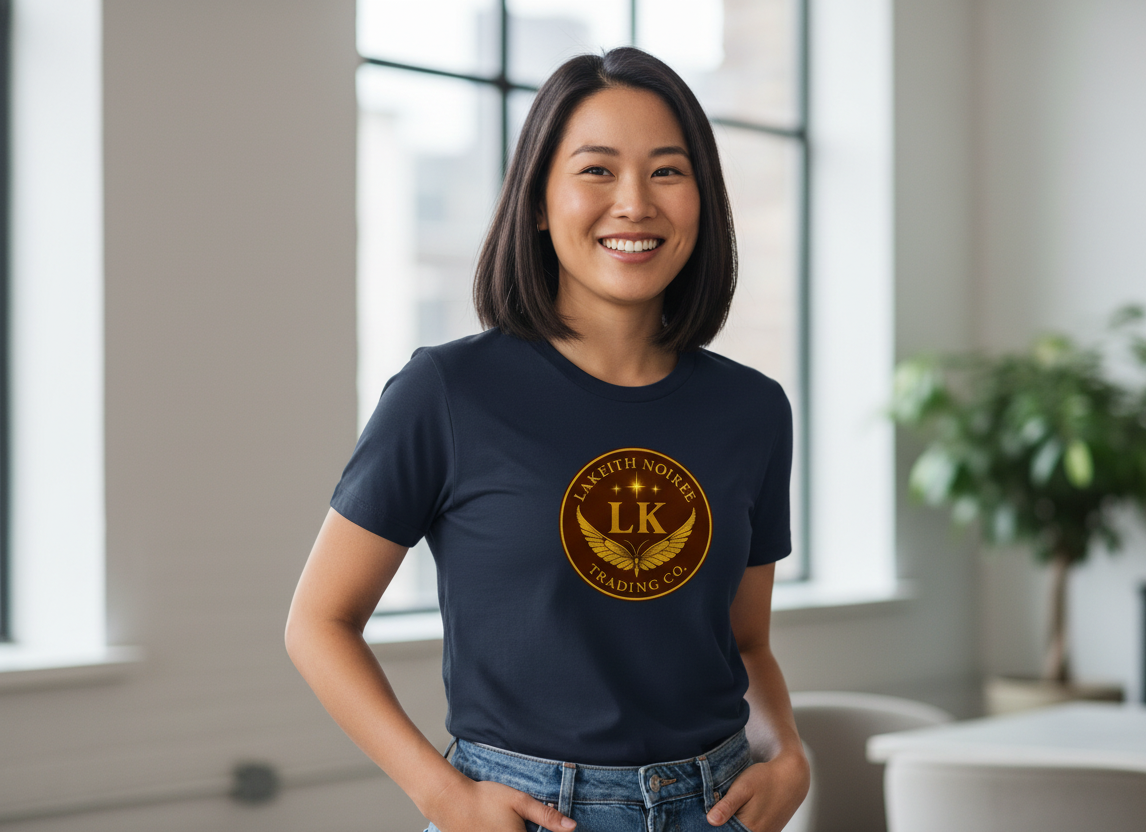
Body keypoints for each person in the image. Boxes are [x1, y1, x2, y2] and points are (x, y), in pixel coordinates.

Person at [286, 46, 810, 832]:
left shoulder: (753, 409)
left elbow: (746, 642)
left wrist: (791, 755)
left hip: (719, 805)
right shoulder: (449, 393)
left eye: (668, 171)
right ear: (537, 200)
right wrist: (442, 794)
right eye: (597, 170)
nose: (634, 203)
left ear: (703, 199)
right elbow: (318, 624)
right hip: (526, 813)